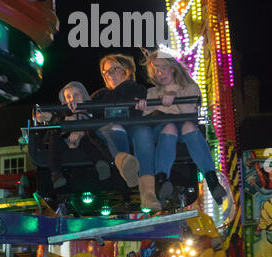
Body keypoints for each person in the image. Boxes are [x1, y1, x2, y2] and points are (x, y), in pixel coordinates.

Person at [134, 48, 227, 210]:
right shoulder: (152, 92)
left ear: (172, 67)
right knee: (169, 127)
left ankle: (212, 179)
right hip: (162, 129)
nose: (159, 73)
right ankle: (162, 179)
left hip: (185, 127)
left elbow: (189, 114)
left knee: (189, 126)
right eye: (155, 69)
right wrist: (142, 106)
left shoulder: (189, 88)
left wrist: (174, 99)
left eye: (162, 67)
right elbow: (145, 117)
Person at [37, 81, 111, 189]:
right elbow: (57, 123)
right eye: (68, 97)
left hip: (85, 138)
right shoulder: (63, 115)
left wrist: (81, 132)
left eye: (76, 95)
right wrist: (47, 117)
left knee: (89, 139)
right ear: (64, 101)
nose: (73, 98)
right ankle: (56, 173)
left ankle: (100, 164)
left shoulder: (91, 111)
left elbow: (95, 124)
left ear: (83, 96)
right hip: (66, 139)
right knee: (55, 137)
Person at [90, 53, 147, 188]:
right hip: (104, 133)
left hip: (131, 132)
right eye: (105, 72)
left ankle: (127, 166)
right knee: (114, 128)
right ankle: (127, 166)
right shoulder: (99, 95)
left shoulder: (137, 90)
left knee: (119, 128)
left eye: (113, 69)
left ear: (126, 70)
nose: (109, 74)